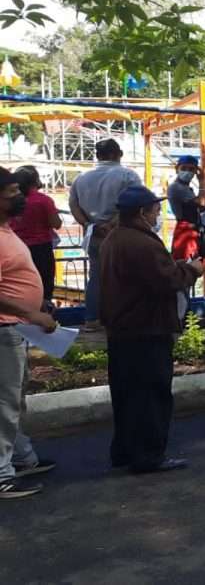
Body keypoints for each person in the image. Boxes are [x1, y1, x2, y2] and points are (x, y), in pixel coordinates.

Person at [100, 185, 203, 474]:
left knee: (126, 394)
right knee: (151, 394)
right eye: (156, 210)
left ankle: (125, 451)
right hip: (146, 328)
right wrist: (191, 270)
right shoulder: (140, 243)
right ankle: (148, 455)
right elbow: (166, 280)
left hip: (123, 328)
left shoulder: (115, 238)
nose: (159, 214)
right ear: (143, 212)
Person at [0, 167, 58, 499]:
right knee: (5, 403)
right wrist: (30, 312)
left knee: (14, 400)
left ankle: (20, 459)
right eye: (10, 192)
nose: (19, 197)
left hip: (18, 327)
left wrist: (40, 304)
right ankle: (2, 473)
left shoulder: (7, 229)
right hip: (6, 328)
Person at [68, 138, 141, 331]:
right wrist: (111, 223)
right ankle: (122, 317)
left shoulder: (81, 178)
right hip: (122, 232)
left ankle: (92, 319)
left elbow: (73, 205)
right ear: (119, 154)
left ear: (97, 155)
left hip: (94, 234)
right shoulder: (128, 175)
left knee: (96, 276)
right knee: (126, 275)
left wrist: (88, 224)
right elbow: (134, 203)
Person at [11, 166, 62, 306]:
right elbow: (56, 223)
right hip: (41, 248)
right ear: (36, 180)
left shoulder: (10, 200)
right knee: (44, 286)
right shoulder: (43, 200)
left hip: (16, 248)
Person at [167, 155, 205, 261]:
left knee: (192, 264)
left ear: (195, 171)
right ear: (177, 169)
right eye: (184, 168)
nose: (187, 172)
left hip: (191, 230)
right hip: (185, 232)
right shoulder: (177, 187)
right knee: (187, 266)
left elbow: (199, 207)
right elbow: (201, 203)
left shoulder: (186, 188)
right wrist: (202, 182)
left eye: (191, 169)